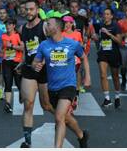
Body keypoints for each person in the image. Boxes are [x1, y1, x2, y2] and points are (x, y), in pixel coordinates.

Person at [32, 17, 89, 148]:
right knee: (65, 117)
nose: (45, 26)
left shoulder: (72, 44)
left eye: (48, 24)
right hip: (52, 88)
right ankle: (81, 135)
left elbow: (83, 57)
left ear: (57, 27)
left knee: (59, 118)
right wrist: (36, 65)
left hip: (68, 85)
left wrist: (87, 77)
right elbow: (35, 61)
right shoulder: (44, 45)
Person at [19, 0, 53, 148]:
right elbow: (26, 48)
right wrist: (22, 61)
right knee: (28, 104)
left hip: (44, 70)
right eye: (26, 9)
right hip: (29, 69)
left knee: (46, 105)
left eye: (32, 9)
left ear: (38, 9)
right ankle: (27, 141)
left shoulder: (45, 26)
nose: (28, 12)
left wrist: (43, 62)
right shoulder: (23, 29)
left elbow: (53, 46)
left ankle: (66, 119)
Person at [97, 8, 122, 108]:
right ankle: (107, 98)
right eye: (104, 14)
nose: (105, 16)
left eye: (108, 14)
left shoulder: (116, 26)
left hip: (113, 53)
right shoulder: (101, 25)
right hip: (103, 52)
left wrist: (109, 34)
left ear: (112, 16)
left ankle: (117, 96)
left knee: (115, 76)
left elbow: (119, 41)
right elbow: (100, 39)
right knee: (103, 75)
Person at [1, 18, 24, 112]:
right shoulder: (2, 36)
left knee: (19, 84)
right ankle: (7, 104)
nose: (8, 27)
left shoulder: (18, 36)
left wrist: (12, 46)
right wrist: (0, 52)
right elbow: (1, 48)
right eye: (6, 25)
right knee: (8, 83)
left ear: (14, 26)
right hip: (6, 62)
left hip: (17, 63)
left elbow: (23, 48)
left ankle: (21, 94)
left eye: (10, 24)